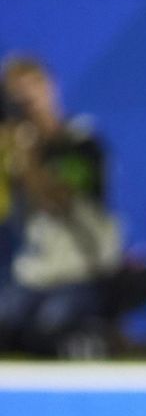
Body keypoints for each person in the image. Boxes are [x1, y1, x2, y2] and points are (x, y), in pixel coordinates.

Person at [0, 55, 121, 356]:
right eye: (18, 98)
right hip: (35, 269)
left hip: (81, 268)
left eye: (33, 91)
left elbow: (58, 199)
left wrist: (28, 157)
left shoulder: (81, 138)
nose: (28, 104)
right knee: (7, 320)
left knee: (50, 325)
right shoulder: (13, 145)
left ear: (51, 88)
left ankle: (93, 341)